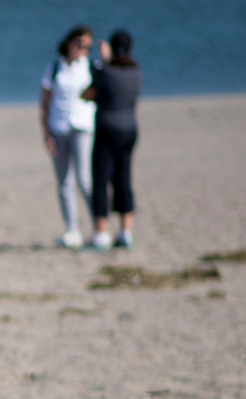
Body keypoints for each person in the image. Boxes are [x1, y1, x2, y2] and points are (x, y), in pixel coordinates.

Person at [39, 26, 97, 250]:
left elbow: (106, 87)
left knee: (85, 179)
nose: (83, 50)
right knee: (64, 182)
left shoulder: (92, 67)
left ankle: (98, 225)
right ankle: (72, 230)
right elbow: (45, 102)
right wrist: (46, 133)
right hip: (59, 127)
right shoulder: (54, 68)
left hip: (83, 127)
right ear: (70, 43)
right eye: (80, 44)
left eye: (88, 47)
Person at [85, 30, 141, 250]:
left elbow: (87, 93)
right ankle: (126, 232)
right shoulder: (136, 71)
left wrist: (102, 61)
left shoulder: (105, 72)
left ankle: (101, 233)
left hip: (107, 129)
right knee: (124, 179)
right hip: (130, 130)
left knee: (101, 180)